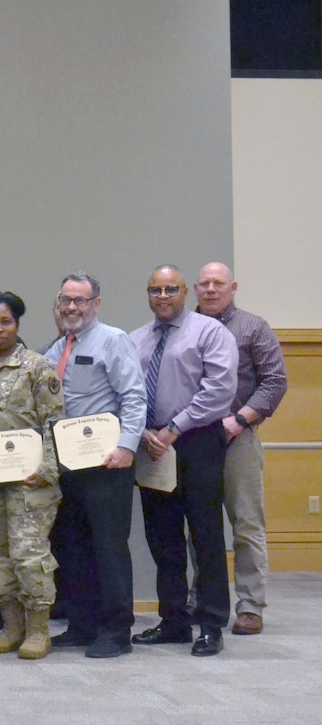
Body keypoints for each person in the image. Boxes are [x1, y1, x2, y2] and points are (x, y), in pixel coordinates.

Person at [129, 264, 237, 657]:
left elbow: (220, 390)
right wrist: (142, 431)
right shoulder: (135, 339)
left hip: (196, 442)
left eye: (170, 289)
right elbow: (127, 392)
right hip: (152, 446)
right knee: (163, 537)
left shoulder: (210, 332)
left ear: (185, 291)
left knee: (205, 536)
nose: (162, 296)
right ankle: (173, 621)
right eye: (155, 290)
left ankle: (210, 624)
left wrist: (174, 428)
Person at [43, 272, 146, 658]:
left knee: (108, 547)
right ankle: (82, 625)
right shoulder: (57, 348)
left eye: (80, 301)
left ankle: (116, 631)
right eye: (66, 299)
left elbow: (134, 397)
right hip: (68, 465)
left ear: (96, 304)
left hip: (107, 463)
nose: (72, 307)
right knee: (73, 547)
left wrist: (126, 447)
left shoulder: (113, 340)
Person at [0, 291, 64, 660]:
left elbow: (55, 422)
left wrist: (47, 471)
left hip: (31, 482)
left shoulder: (37, 367)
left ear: (17, 325)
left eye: (5, 322)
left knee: (29, 555)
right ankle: (12, 626)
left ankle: (39, 630)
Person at [194, 262, 287, 636]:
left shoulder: (253, 327)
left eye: (218, 284)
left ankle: (250, 605)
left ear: (232, 287)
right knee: (198, 525)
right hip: (195, 440)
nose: (211, 290)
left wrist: (241, 419)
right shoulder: (186, 328)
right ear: (195, 290)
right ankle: (201, 599)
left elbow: (274, 381)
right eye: (204, 284)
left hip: (237, 437)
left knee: (246, 524)